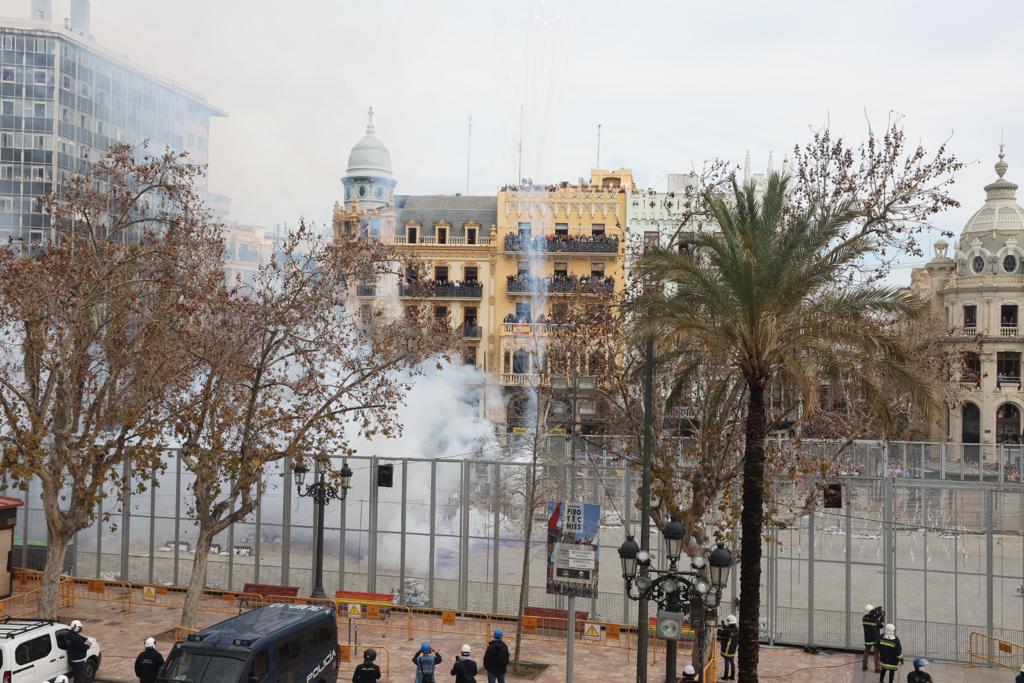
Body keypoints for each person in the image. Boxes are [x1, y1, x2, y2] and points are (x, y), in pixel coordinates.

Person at [716, 614, 738, 680]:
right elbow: (728, 631)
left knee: (727, 662)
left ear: (729, 621)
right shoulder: (736, 629)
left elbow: (720, 633)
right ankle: (732, 676)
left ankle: (725, 677)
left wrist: (719, 627)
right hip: (733, 649)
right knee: (732, 661)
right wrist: (724, 626)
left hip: (727, 649)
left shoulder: (727, 630)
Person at [862, 604, 882, 672]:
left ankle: (864, 666)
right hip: (875, 639)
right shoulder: (874, 620)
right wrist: (881, 617)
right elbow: (881, 625)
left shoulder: (864, 618)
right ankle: (877, 668)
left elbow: (872, 619)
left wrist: (876, 616)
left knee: (866, 652)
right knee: (876, 653)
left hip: (867, 639)